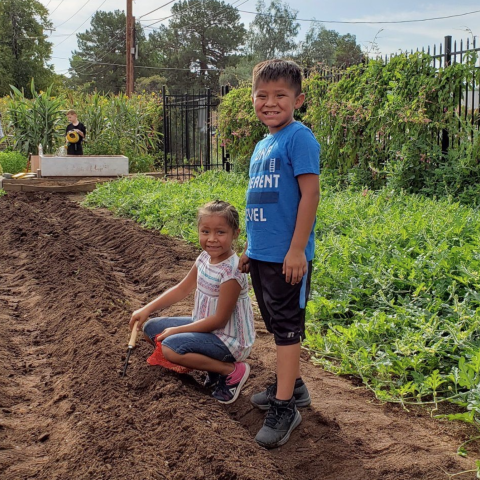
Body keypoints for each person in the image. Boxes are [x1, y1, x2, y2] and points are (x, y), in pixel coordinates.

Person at [239, 59, 320, 448]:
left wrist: (297, 249)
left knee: (287, 331)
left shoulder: (298, 138)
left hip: (289, 258)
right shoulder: (262, 144)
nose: (270, 103)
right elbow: (263, 201)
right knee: (275, 324)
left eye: (280, 96)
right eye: (262, 96)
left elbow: (310, 195)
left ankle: (286, 406)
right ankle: (295, 386)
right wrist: (250, 249)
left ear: (298, 100)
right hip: (264, 255)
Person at [129, 200, 255, 405]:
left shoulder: (231, 271)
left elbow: (219, 321)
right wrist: (147, 308)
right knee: (150, 328)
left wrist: (177, 331)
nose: (212, 239)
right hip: (206, 330)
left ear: (236, 233)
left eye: (220, 232)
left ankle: (231, 371)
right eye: (205, 231)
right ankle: (212, 369)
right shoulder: (204, 258)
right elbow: (182, 289)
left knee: (170, 347)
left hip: (229, 340)